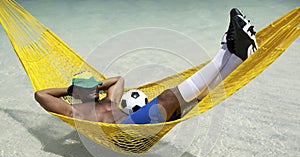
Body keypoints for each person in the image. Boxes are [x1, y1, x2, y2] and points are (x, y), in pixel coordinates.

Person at [35, 8, 258, 124]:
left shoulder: (109, 100)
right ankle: (225, 51)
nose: (95, 87)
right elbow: (40, 95)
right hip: (126, 134)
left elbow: (119, 80)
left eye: (95, 85)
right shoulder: (75, 112)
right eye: (89, 87)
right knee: (167, 98)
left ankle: (236, 55)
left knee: (195, 99)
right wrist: (71, 91)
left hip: (142, 123)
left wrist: (98, 86)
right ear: (79, 93)